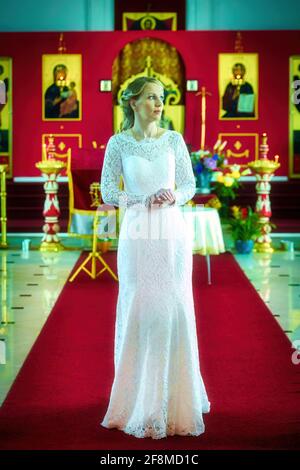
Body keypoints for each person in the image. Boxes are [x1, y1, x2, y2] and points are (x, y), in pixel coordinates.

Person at [100, 76, 210, 439]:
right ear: (133, 102)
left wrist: (173, 197)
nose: (158, 103)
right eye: (151, 97)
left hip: (171, 234)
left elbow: (190, 185)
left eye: (161, 97)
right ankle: (137, 401)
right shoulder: (117, 144)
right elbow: (106, 191)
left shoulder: (173, 140)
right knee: (139, 306)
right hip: (135, 233)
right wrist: (138, 201)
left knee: (173, 305)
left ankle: (176, 397)